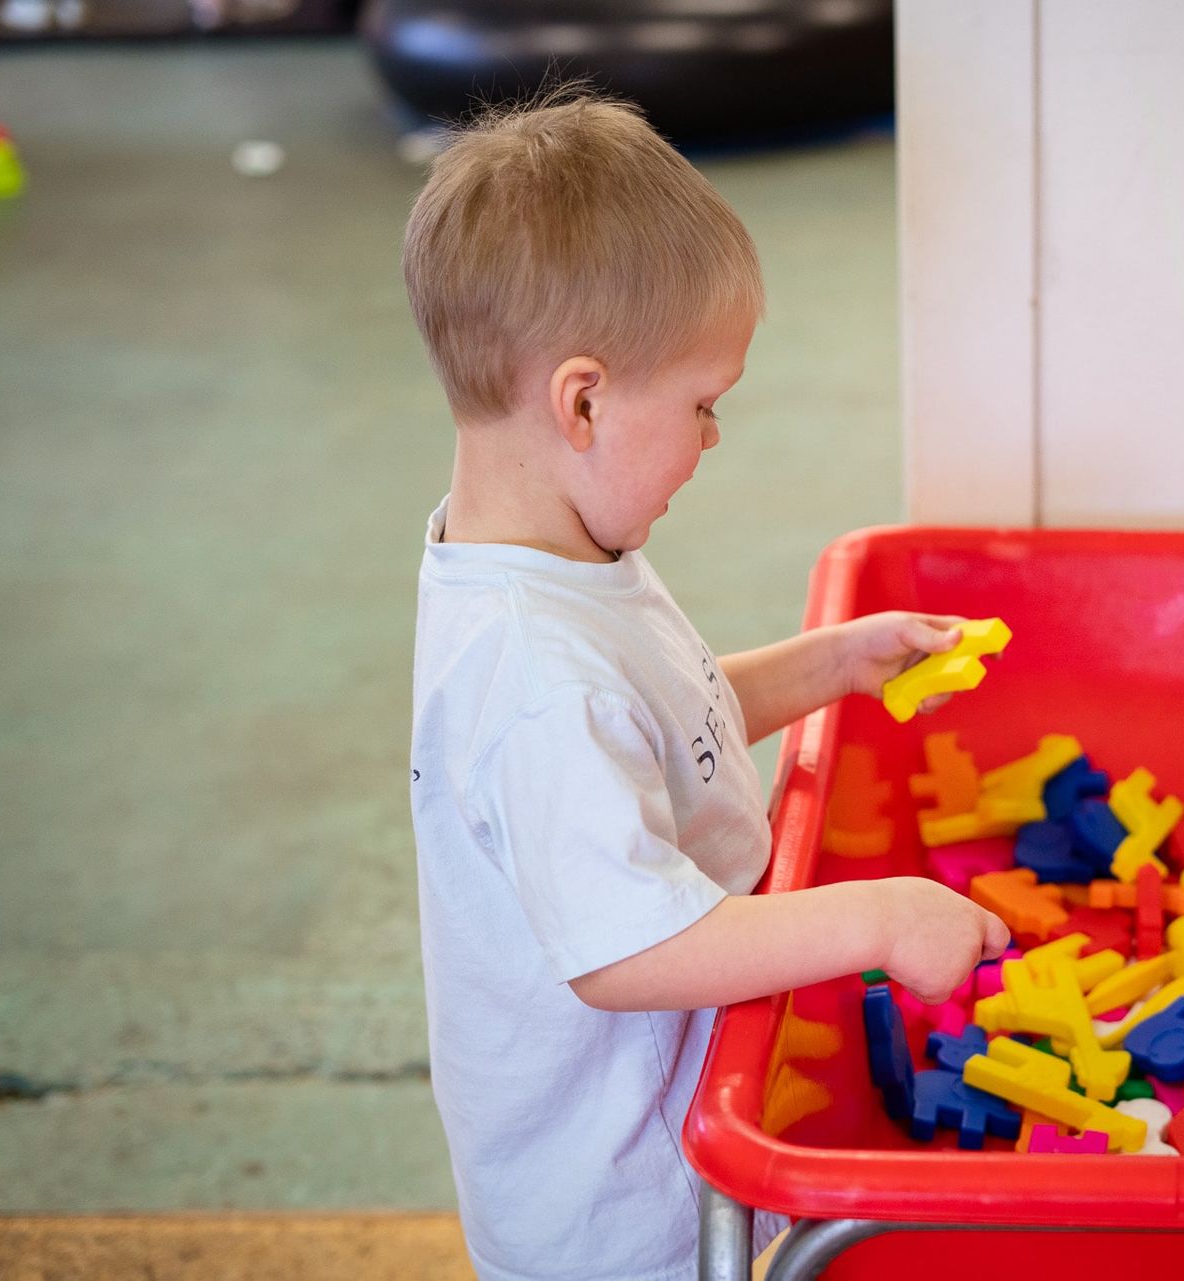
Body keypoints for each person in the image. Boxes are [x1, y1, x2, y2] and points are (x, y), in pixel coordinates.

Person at [402, 95, 1008, 1281]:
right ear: (582, 402)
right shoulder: (532, 669)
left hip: (667, 1157)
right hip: (617, 1222)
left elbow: (663, 729)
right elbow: (624, 953)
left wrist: (835, 662)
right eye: (701, 405)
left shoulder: (570, 558)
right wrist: (881, 919)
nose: (715, 437)